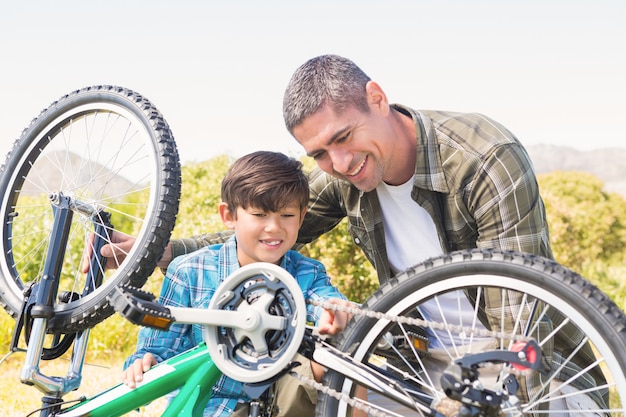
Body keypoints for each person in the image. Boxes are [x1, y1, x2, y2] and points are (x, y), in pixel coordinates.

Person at [109, 55, 605, 411]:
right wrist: (156, 251)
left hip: (529, 367)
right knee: (340, 396)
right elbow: (264, 233)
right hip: (421, 366)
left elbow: (523, 327)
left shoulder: (482, 158)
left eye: (343, 138)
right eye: (320, 154)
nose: (339, 163)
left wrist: (484, 402)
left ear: (377, 98)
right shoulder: (345, 178)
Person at [122, 151, 355, 417]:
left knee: (342, 356)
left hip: (275, 400)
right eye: (259, 214)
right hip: (211, 404)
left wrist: (334, 310)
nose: (274, 228)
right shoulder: (189, 271)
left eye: (287, 216)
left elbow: (326, 302)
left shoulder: (306, 273)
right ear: (229, 215)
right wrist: (146, 361)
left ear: (302, 217)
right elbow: (158, 347)